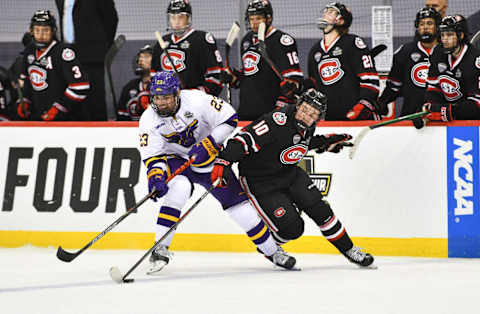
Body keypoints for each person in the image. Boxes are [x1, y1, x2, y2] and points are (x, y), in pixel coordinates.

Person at [138, 71, 296, 274]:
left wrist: (210, 142)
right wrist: (157, 177)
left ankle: (273, 252)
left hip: (209, 158)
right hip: (176, 159)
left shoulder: (196, 100)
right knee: (179, 189)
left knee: (242, 210)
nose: (161, 103)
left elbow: (230, 118)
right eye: (157, 98)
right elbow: (154, 156)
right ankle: (160, 248)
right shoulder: (148, 120)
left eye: (166, 97)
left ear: (177, 93)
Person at [210, 88, 375, 268]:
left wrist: (325, 142)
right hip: (260, 181)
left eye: (313, 114)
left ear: (318, 117)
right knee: (293, 229)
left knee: (322, 211)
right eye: (304, 110)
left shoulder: (308, 126)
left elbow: (294, 144)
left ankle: (350, 250)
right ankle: (270, 249)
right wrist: (223, 161)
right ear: (297, 106)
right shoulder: (276, 120)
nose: (306, 116)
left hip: (289, 173)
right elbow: (243, 140)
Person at [222, 0, 303, 121]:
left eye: (258, 18)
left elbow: (294, 80)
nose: (254, 23)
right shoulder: (247, 40)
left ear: (268, 18)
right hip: (246, 110)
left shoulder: (282, 40)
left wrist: (286, 97)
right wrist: (233, 78)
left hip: (270, 111)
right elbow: (249, 75)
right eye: (251, 19)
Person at [306, 2, 381, 121]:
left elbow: (370, 80)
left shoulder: (353, 43)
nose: (325, 14)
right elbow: (314, 84)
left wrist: (363, 105)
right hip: (330, 118)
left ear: (341, 20)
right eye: (326, 11)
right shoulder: (315, 51)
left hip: (357, 116)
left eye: (331, 12)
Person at [17, 10, 90, 121]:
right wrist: (24, 101)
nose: (41, 35)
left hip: (66, 120)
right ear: (31, 31)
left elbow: (81, 86)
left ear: (53, 31)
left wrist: (59, 108)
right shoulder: (29, 51)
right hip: (38, 118)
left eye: (45, 30)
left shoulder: (63, 52)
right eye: (37, 30)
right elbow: (25, 81)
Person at [55, 0, 118, 121]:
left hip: (92, 55)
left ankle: (99, 137)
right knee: (73, 101)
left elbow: (111, 18)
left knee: (94, 101)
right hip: (67, 55)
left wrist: (101, 45)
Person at [377, 7, 442, 118]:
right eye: (421, 24)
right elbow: (394, 85)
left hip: (440, 117)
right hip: (410, 116)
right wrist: (381, 103)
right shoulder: (405, 52)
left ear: (437, 27)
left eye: (430, 23)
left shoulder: (447, 52)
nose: (425, 27)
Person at [151, 0, 224, 97]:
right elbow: (154, 76)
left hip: (195, 102)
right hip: (168, 102)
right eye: (173, 17)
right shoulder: (162, 42)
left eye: (180, 17)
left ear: (188, 18)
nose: (176, 22)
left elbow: (216, 75)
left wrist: (196, 95)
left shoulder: (201, 39)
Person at [423, 15, 480, 121]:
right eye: (442, 35)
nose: (444, 39)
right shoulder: (437, 53)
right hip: (449, 119)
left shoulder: (475, 60)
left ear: (461, 35)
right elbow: (433, 88)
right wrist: (430, 109)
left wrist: (452, 112)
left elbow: (477, 103)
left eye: (449, 35)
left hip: (474, 122)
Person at [116, 45, 153, 121]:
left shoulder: (164, 86)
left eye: (146, 56)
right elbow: (122, 118)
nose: (140, 60)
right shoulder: (129, 87)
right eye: (140, 57)